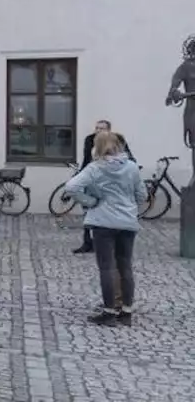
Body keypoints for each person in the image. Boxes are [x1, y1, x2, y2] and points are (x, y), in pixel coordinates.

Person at [65, 131, 146, 326]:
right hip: (127, 222)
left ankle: (109, 312)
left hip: (103, 222)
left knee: (107, 267)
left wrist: (91, 202)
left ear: (97, 147)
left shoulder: (95, 168)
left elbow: (71, 187)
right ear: (119, 145)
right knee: (125, 266)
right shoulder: (132, 167)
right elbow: (142, 195)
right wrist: (129, 205)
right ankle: (126, 312)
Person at [73, 120, 135, 254]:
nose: (98, 131)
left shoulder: (116, 140)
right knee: (88, 212)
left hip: (110, 182)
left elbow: (129, 158)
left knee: (107, 215)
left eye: (102, 128)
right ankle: (87, 243)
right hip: (93, 179)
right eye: (97, 128)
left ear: (109, 130)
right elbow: (86, 159)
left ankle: (110, 243)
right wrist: (82, 175)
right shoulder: (90, 140)